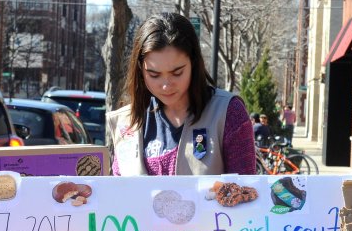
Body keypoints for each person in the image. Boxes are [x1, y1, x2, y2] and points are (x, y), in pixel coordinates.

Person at [106, 12, 255, 176]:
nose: (166, 85)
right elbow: (118, 192)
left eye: (177, 72)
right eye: (154, 75)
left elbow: (245, 192)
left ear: (194, 63)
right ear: (140, 71)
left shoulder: (228, 112)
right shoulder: (126, 122)